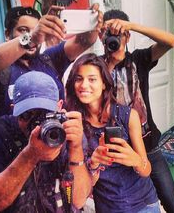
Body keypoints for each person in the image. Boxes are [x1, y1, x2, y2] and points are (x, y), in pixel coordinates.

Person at [101, 9, 174, 213]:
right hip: (116, 152)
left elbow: (171, 41)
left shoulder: (139, 59)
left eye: (118, 33)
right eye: (108, 34)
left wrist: (132, 26)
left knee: (172, 203)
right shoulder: (96, 67)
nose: (113, 39)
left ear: (127, 36)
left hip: (149, 147)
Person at [0, 71, 91, 212]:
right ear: (15, 110)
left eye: (45, 114)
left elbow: (78, 200)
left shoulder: (67, 130)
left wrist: (76, 148)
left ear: (59, 107)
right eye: (27, 115)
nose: (37, 124)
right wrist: (29, 156)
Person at [65, 53, 160, 213]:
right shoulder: (75, 125)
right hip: (108, 208)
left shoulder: (128, 116)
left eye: (92, 79)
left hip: (144, 204)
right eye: (79, 78)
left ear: (104, 83)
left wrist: (135, 160)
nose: (84, 85)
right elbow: (83, 189)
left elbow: (146, 170)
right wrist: (93, 165)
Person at [0, 5, 102, 118]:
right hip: (15, 143)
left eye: (36, 29)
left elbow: (85, 41)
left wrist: (92, 21)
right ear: (8, 34)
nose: (33, 34)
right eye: (23, 30)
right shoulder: (1, 68)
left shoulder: (50, 60)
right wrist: (30, 39)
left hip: (54, 140)